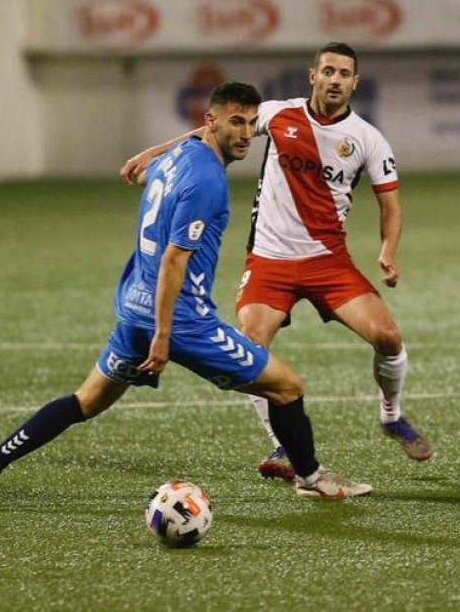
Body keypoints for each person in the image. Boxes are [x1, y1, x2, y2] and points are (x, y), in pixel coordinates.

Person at [0, 82, 372, 507]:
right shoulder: (208, 184)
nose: (244, 134)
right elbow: (173, 261)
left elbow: (157, 170)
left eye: (251, 124)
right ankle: (311, 477)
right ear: (212, 121)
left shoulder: (176, 156)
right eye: (235, 122)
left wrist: (150, 154)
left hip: (133, 310)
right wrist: (165, 336)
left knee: (85, 401)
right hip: (182, 322)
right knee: (287, 387)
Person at [120, 42, 431, 481]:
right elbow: (211, 130)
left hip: (328, 261)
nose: (335, 79)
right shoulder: (277, 113)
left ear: (355, 83)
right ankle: (282, 445)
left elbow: (391, 206)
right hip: (269, 261)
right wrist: (155, 151)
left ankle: (391, 414)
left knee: (387, 336)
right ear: (313, 76)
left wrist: (387, 252)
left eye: (344, 73)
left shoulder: (368, 139)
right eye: (328, 71)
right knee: (251, 349)